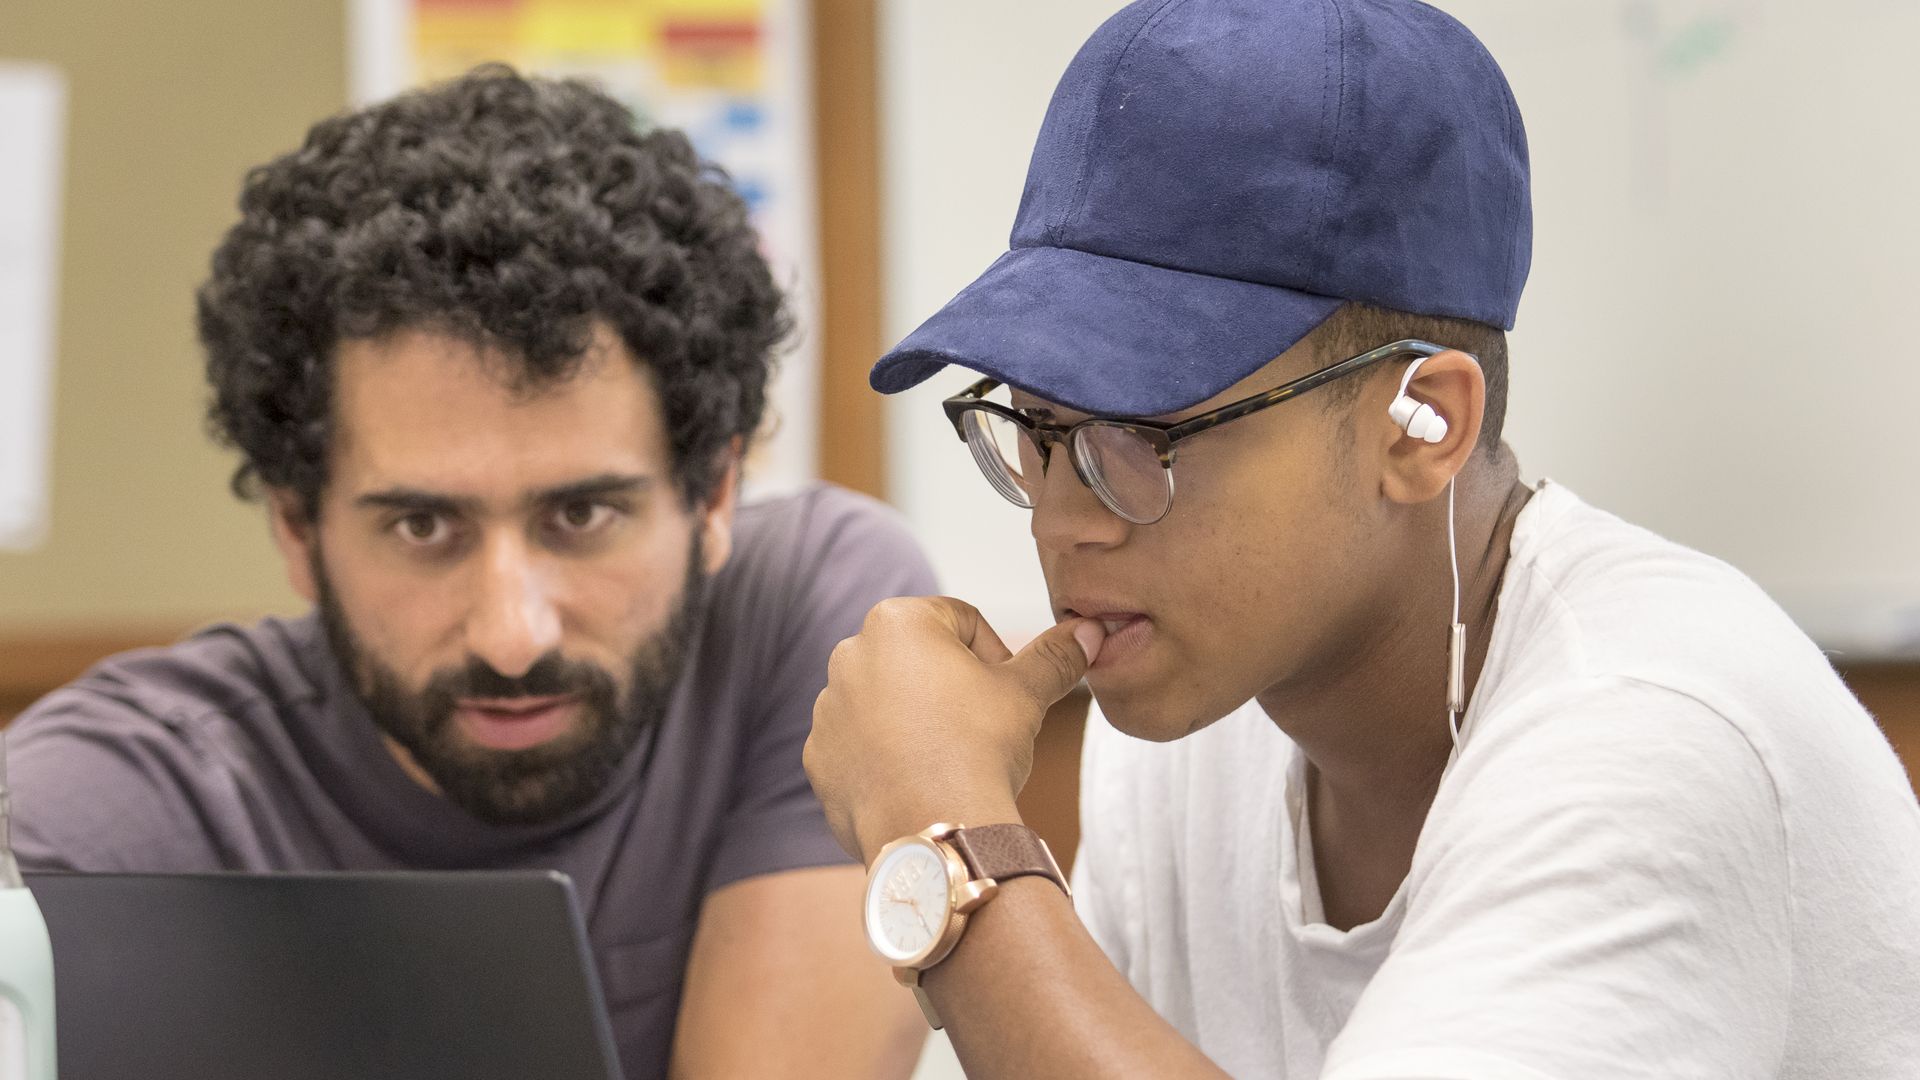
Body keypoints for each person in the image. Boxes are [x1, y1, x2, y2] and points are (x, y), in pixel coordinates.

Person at [802, 1, 1920, 1077]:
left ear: (1422, 426)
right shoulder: (1193, 710)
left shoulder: (1657, 728)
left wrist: (948, 843)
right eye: (1036, 433)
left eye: (1140, 436)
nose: (1060, 521)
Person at [7, 66, 931, 1079]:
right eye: (422, 527)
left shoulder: (813, 623)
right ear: (295, 529)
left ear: (713, 497)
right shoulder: (130, 796)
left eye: (581, 516)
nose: (512, 634)